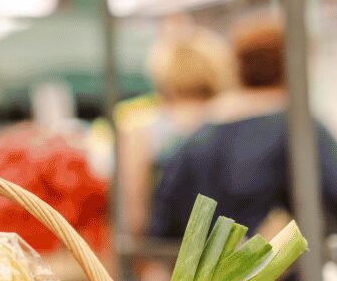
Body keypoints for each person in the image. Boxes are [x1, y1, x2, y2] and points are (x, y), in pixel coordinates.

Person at [147, 16, 337, 240]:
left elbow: (163, 222)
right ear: (293, 65)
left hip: (200, 273)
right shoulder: (299, 128)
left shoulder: (198, 133)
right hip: (281, 274)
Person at [116, 19, 235, 240]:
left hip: (170, 257)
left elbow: (135, 217)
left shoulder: (145, 132)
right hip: (230, 254)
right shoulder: (231, 124)